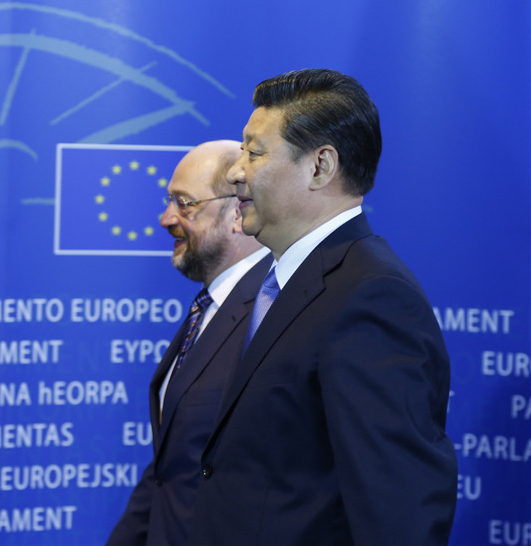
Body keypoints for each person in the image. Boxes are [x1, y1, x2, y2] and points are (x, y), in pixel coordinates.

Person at [188, 69, 457, 545]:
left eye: (254, 151)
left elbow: (398, 513)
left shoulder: (372, 297)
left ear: (320, 167)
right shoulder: (272, 282)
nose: (235, 170)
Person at [107, 140, 271, 546]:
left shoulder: (272, 310)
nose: (166, 219)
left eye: (185, 203)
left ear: (237, 211)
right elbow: (172, 467)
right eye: (169, 200)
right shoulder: (211, 304)